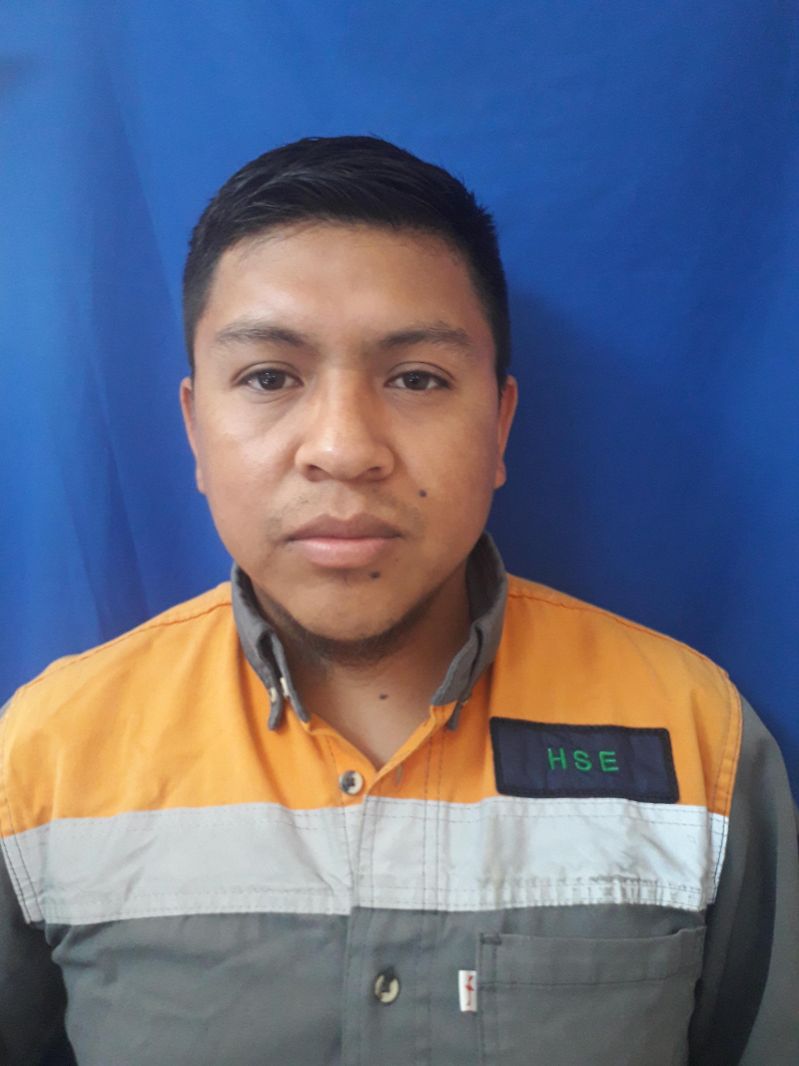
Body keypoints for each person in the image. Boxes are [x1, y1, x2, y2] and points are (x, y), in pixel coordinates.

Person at [0, 136, 796, 1066]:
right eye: (269, 377)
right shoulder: (46, 757)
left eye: (416, 378)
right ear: (194, 428)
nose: (343, 449)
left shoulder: (693, 734)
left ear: (498, 425)